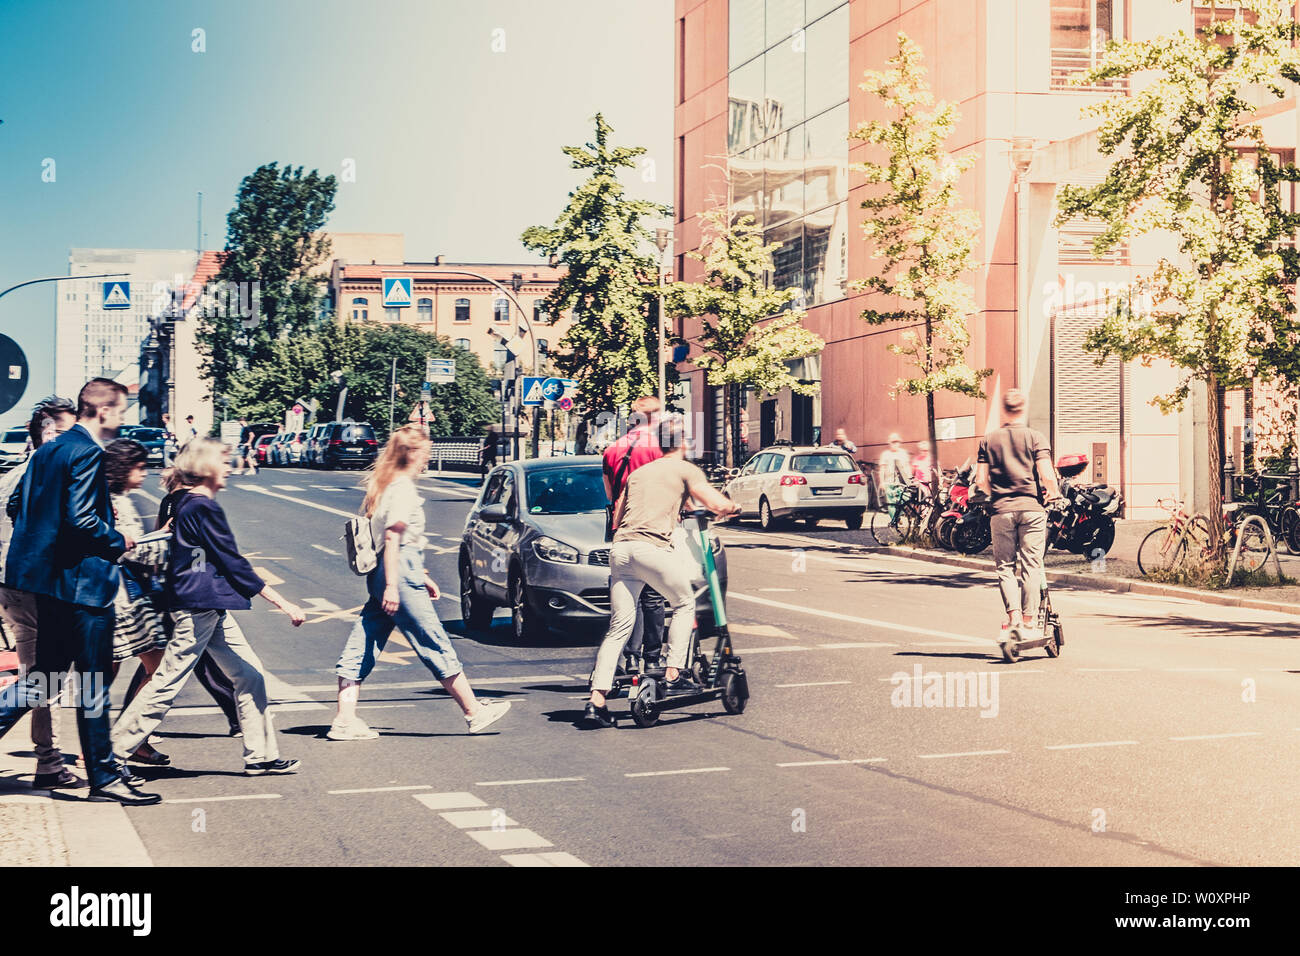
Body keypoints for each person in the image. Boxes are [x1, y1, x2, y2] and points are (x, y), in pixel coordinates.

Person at [0, 378, 159, 806]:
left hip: (46, 585)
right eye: (121, 412)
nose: (123, 420)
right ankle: (105, 780)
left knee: (43, 679)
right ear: (104, 411)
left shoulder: (48, 450)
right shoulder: (88, 451)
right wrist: (117, 541)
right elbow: (82, 521)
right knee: (92, 686)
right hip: (83, 587)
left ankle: (105, 776)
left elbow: (18, 508)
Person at [111, 438, 306, 776]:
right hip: (197, 607)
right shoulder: (203, 507)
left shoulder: (177, 501)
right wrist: (283, 602)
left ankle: (260, 756)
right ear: (206, 468)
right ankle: (112, 754)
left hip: (204, 604)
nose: (229, 467)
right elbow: (233, 562)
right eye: (223, 461)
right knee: (166, 682)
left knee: (250, 674)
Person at [329, 425, 511, 740]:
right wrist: (395, 585)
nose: (428, 459)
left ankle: (344, 719)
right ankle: (474, 712)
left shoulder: (387, 486)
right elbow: (393, 537)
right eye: (426, 452)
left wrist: (418, 577)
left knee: (365, 640)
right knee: (432, 639)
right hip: (398, 571)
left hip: (390, 571)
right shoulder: (402, 489)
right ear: (413, 453)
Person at [584, 416, 740, 728]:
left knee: (619, 627)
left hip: (621, 549)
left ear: (659, 445)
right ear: (684, 444)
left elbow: (617, 515)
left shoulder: (639, 473)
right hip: (651, 549)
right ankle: (674, 673)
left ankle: (596, 700)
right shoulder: (685, 469)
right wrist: (732, 507)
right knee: (683, 603)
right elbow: (715, 503)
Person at [123, 466, 244, 738]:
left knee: (170, 661)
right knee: (175, 663)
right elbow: (195, 548)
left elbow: (163, 539)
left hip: (167, 589)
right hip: (188, 591)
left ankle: (132, 723)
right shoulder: (191, 503)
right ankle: (129, 728)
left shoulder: (170, 501)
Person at [0, 397, 79, 789]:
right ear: (48, 435)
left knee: (42, 676)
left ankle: (53, 760)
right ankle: (50, 762)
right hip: (35, 588)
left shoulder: (10, 475)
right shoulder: (50, 476)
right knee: (43, 679)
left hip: (11, 587)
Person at [103, 439, 173, 766]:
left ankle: (127, 741)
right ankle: (120, 742)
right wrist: (165, 538)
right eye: (139, 467)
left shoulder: (116, 499)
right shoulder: (114, 502)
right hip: (121, 597)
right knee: (157, 667)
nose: (144, 473)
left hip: (123, 594)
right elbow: (129, 549)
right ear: (121, 470)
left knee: (110, 674)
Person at [975, 389, 1061, 642]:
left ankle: (1012, 619)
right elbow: (1046, 474)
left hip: (1001, 511)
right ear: (1023, 409)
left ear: (1004, 410)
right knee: (1031, 566)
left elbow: (981, 480)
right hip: (1032, 509)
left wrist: (995, 496)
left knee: (1005, 567)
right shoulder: (1035, 437)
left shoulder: (988, 440)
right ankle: (1029, 621)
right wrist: (1052, 493)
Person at [601, 396, 667, 668]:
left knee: (629, 596)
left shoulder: (612, 450)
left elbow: (609, 493)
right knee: (653, 595)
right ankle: (652, 659)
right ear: (655, 418)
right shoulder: (659, 448)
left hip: (622, 527)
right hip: (652, 527)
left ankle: (630, 656)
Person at [878, 433, 911, 520]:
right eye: (893, 442)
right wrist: (881, 482)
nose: (895, 444)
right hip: (889, 482)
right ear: (889, 443)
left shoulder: (903, 453)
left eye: (896, 442)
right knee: (891, 503)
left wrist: (910, 479)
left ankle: (899, 516)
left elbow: (907, 467)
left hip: (902, 482)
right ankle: (894, 520)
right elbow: (882, 469)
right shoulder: (885, 454)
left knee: (905, 498)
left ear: (899, 442)